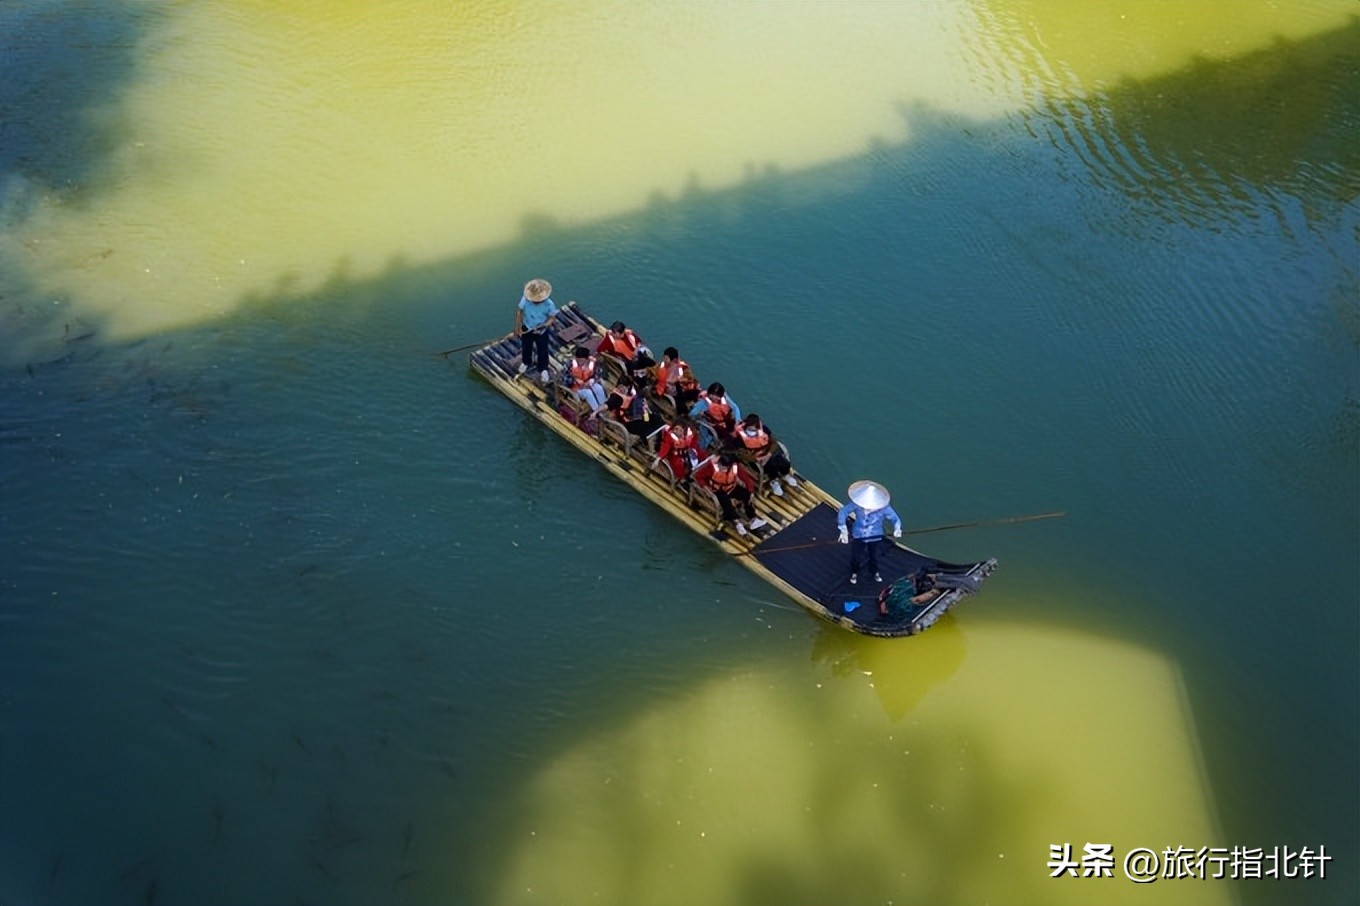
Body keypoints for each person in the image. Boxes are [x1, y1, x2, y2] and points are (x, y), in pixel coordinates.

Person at [836, 480, 903, 585]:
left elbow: (895, 519)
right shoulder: (856, 505)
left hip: (875, 536)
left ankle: (874, 572)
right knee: (856, 556)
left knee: (874, 556)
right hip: (858, 535)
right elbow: (843, 512)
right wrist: (843, 530)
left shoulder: (884, 508)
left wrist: (897, 528)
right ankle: (854, 572)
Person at [693, 452, 768, 538]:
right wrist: (706, 489)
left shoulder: (735, 467)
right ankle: (736, 522)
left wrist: (750, 492)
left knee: (746, 494)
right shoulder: (711, 467)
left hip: (730, 487)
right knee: (724, 499)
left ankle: (752, 519)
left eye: (725, 467)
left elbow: (747, 480)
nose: (722, 468)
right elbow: (698, 477)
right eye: (721, 466)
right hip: (716, 490)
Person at [731, 413, 798, 497]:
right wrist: (756, 459)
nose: (753, 432)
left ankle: (785, 474)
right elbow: (742, 455)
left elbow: (774, 442)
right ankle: (773, 481)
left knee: (782, 461)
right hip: (755, 460)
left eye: (755, 430)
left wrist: (768, 455)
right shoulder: (740, 438)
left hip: (768, 454)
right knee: (771, 464)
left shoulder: (764, 430)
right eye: (750, 429)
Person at [514, 278, 558, 383]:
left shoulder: (549, 304)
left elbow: (552, 317)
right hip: (527, 327)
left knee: (542, 350)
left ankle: (543, 369)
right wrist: (517, 328)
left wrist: (544, 326)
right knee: (526, 347)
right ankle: (526, 362)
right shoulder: (525, 300)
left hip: (541, 330)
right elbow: (519, 312)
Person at [689, 382, 740, 450]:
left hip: (722, 423)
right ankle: (700, 449)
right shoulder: (704, 403)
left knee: (731, 439)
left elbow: (735, 408)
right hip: (708, 422)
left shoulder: (725, 399)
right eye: (712, 395)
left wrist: (737, 421)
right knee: (704, 438)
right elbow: (692, 414)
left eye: (716, 396)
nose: (714, 397)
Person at [652, 416, 702, 482]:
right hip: (670, 454)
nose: (679, 432)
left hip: (679, 454)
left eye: (681, 430)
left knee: (688, 461)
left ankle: (685, 476)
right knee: (679, 463)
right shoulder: (670, 435)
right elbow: (665, 447)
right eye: (677, 429)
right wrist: (658, 459)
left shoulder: (683, 438)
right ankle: (681, 477)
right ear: (674, 428)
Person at [563, 345, 608, 414]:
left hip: (588, 384)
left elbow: (598, 373)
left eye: (583, 361)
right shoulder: (569, 364)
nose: (581, 362)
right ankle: (597, 412)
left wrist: (593, 379)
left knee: (598, 388)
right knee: (588, 393)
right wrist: (575, 380)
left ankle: (604, 408)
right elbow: (565, 379)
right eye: (579, 360)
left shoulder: (590, 363)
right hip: (576, 388)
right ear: (576, 358)